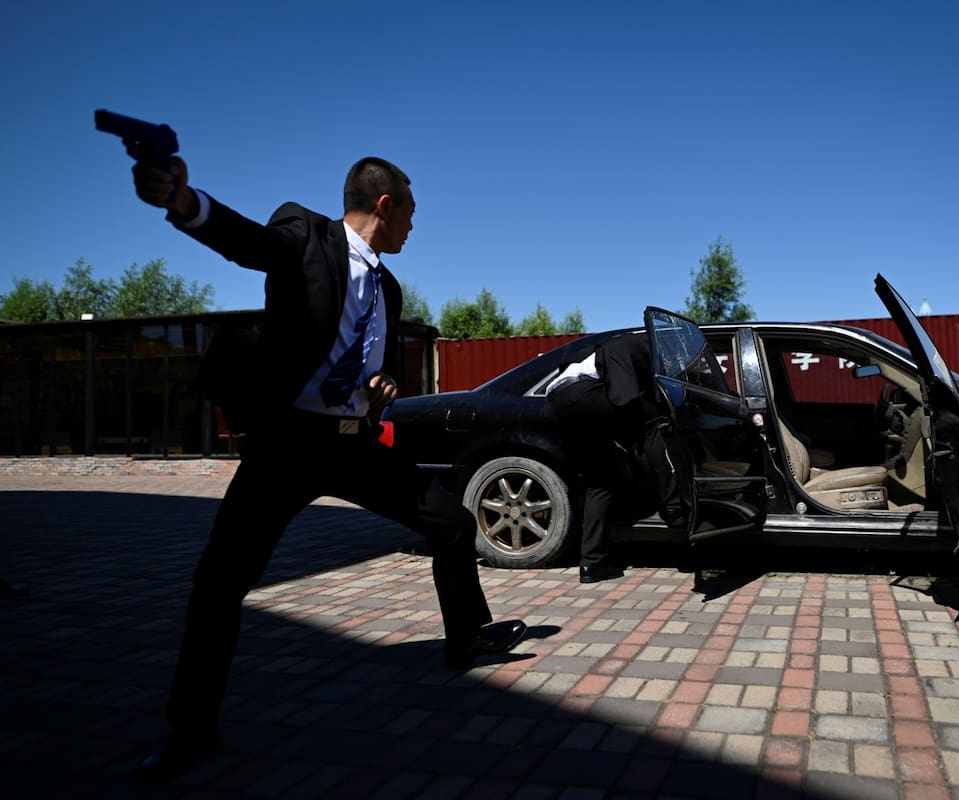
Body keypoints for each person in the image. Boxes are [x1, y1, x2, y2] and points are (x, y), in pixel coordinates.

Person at [125, 151, 527, 783]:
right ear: (385, 206)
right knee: (219, 584)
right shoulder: (305, 237)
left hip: (349, 441)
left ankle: (466, 637)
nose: (415, 229)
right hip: (287, 445)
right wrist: (185, 203)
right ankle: (188, 729)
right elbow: (249, 244)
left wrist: (385, 379)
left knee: (451, 521)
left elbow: (378, 360)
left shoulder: (388, 288)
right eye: (412, 215)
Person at [546, 332, 681, 583]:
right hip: (584, 393)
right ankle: (673, 508)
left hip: (557, 401)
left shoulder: (626, 346)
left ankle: (592, 564)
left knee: (601, 482)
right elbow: (627, 402)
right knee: (653, 426)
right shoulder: (636, 345)